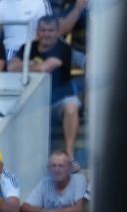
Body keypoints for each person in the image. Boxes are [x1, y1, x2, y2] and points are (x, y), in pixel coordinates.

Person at [8, 15, 80, 160]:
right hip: (36, 101)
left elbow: (44, 68)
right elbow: (11, 67)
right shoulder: (28, 47)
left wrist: (27, 65)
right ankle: (31, 159)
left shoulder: (63, 48)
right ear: (37, 32)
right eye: (43, 30)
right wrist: (33, 65)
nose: (46, 34)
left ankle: (69, 154)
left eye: (51, 30)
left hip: (60, 99)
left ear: (57, 32)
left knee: (71, 107)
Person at [20, 148, 87, 212]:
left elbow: (80, 209)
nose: (57, 170)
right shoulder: (45, 183)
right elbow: (24, 208)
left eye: (61, 166)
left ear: (69, 168)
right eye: (53, 166)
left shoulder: (79, 180)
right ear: (49, 169)